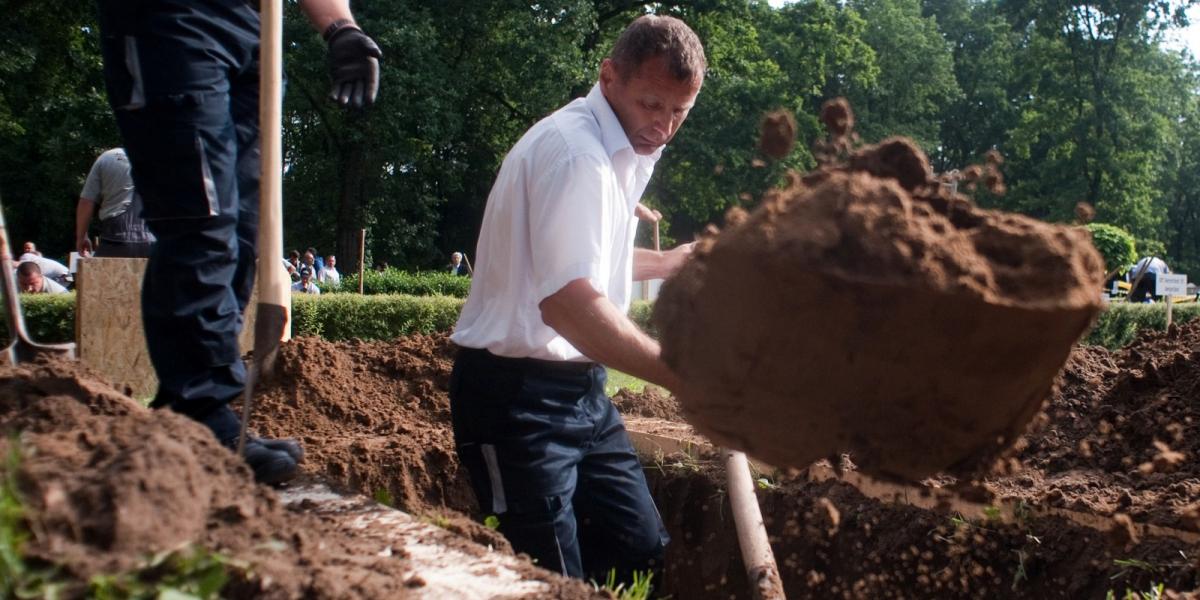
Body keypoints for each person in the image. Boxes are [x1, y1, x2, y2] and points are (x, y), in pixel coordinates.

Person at [449, 15, 704, 585]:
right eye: (650, 104)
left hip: (582, 394)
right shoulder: (577, 157)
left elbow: (580, 260)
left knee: (639, 550)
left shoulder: (623, 147)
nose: (662, 127)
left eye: (678, 112)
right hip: (515, 400)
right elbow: (567, 303)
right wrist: (682, 376)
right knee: (549, 580)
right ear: (608, 76)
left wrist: (666, 262)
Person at [96, 0, 381, 484]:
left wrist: (340, 28)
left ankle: (193, 405)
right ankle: (200, 409)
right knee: (202, 218)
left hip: (255, 29)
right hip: (173, 20)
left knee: (250, 228)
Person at [76, 147, 155, 258]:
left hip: (114, 241)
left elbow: (86, 201)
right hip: (153, 241)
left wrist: (82, 237)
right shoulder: (161, 159)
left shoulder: (107, 157)